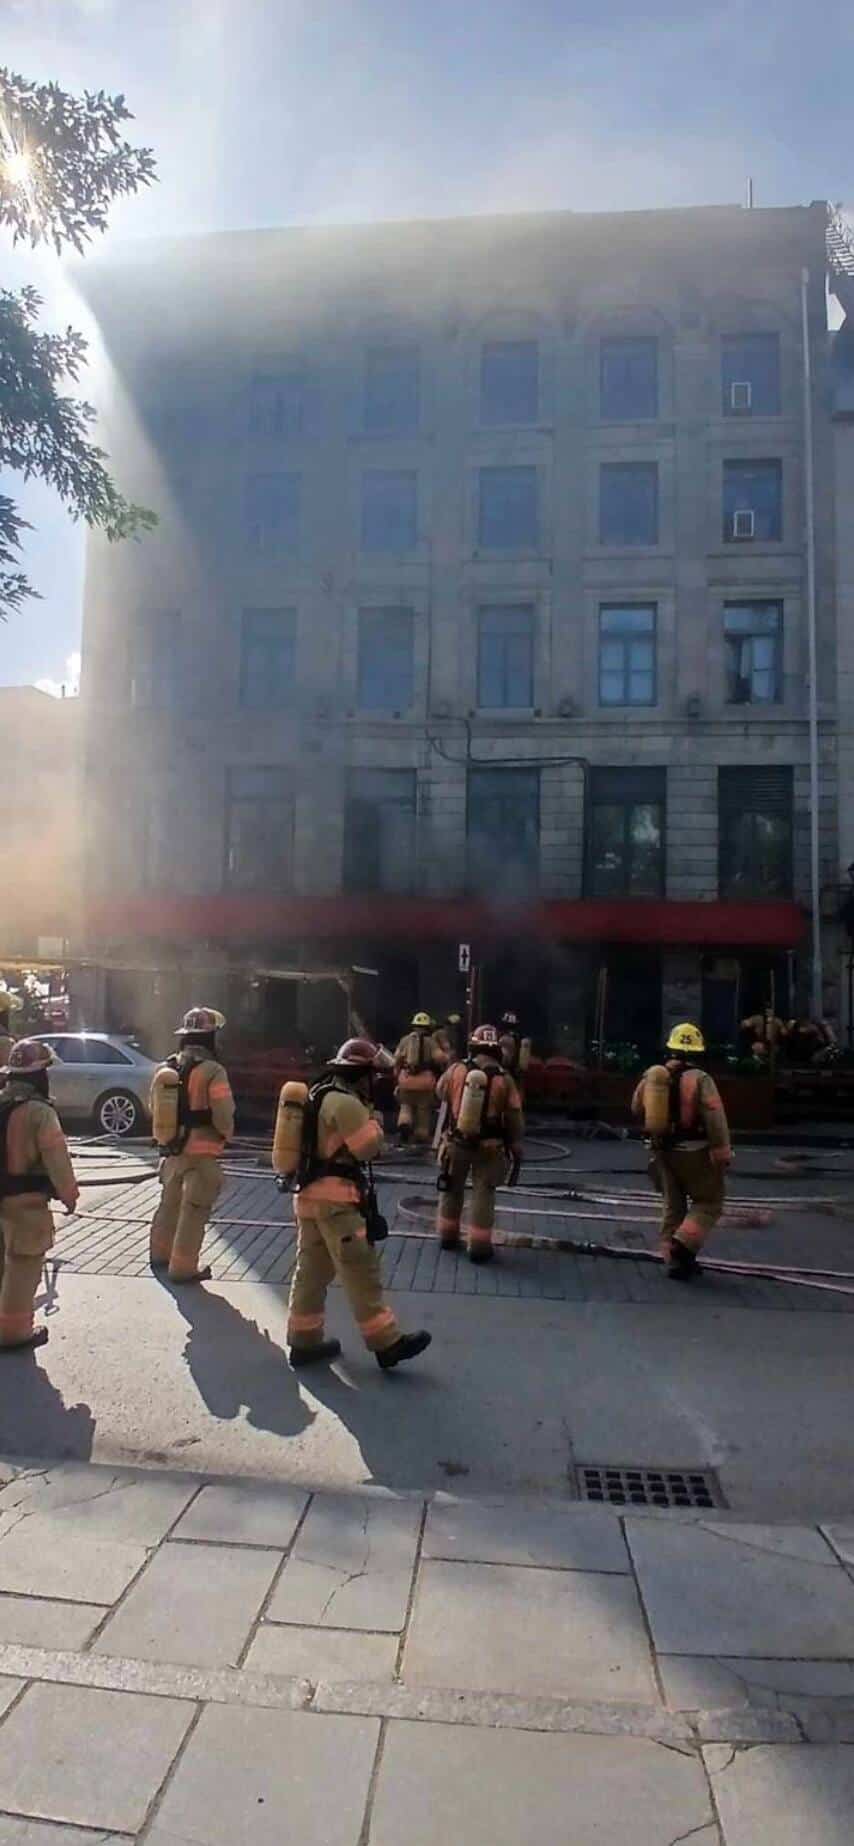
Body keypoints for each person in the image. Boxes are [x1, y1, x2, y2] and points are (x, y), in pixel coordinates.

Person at [285, 1036, 431, 1370]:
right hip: (337, 1204)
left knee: (310, 1273)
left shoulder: (318, 1094)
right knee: (360, 1271)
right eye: (372, 1076)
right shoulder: (347, 1104)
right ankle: (387, 1343)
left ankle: (303, 1342)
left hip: (308, 1200)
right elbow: (368, 1149)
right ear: (360, 1074)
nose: (375, 1082)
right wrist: (376, 1123)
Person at [632, 1023, 732, 1281]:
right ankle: (682, 1244)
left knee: (673, 1205)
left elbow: (635, 1107)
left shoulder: (655, 1076)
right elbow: (715, 1116)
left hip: (663, 1151)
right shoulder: (701, 1079)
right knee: (708, 1202)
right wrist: (722, 1151)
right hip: (696, 1151)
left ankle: (675, 1259)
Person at [0, 1038, 78, 1351]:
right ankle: (15, 1333)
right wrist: (69, 1195)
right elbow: (57, 1160)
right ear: (39, 1075)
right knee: (23, 1265)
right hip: (26, 1205)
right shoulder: (39, 1113)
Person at [149, 1006, 235, 1284]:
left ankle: (159, 1256)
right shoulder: (213, 1070)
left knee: (169, 1204)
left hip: (172, 1150)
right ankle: (184, 1269)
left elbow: (155, 1107)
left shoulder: (168, 1067)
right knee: (194, 1210)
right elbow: (223, 1112)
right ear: (210, 1037)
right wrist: (226, 1134)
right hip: (202, 1152)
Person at [435, 1023, 523, 1263]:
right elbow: (514, 1115)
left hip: (456, 1143)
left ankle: (447, 1236)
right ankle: (479, 1247)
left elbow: (440, 1092)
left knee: (452, 1189)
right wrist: (516, 1144)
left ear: (473, 1046)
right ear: (497, 1050)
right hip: (490, 1147)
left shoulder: (455, 1070)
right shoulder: (505, 1079)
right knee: (484, 1193)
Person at [393, 1012, 447, 1147]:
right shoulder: (431, 1041)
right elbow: (440, 1058)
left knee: (405, 1107)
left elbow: (396, 1058)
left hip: (406, 1081)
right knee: (423, 1110)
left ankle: (404, 1125)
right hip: (425, 1082)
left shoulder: (405, 1040)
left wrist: (397, 1073)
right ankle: (421, 1135)